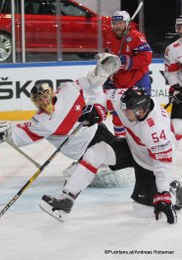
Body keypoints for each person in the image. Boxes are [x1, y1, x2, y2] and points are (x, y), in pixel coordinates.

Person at [40, 85, 182, 224]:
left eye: (127, 112)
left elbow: (162, 165)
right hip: (133, 146)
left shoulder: (156, 131)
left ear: (140, 111)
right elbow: (102, 94)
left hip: (150, 162)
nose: (123, 112)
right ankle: (67, 199)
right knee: (95, 152)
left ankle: (173, 190)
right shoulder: (125, 100)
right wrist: (98, 107)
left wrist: (163, 194)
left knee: (143, 212)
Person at [104, 10, 152, 137]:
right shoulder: (110, 37)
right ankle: (121, 142)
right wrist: (108, 75)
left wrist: (125, 61)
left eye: (120, 23)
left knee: (141, 114)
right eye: (114, 23)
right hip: (119, 82)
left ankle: (144, 142)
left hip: (138, 80)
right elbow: (110, 60)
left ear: (127, 24)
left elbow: (147, 58)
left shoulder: (136, 36)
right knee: (117, 115)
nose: (117, 26)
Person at [164, 15, 182, 149]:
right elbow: (171, 72)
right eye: (179, 26)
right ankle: (171, 150)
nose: (180, 29)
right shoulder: (173, 48)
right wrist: (175, 87)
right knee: (176, 124)